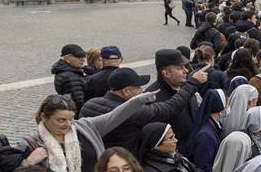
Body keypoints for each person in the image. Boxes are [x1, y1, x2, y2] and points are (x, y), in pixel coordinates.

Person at [79, 65, 209, 152]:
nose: (142, 90)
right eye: (138, 87)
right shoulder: (133, 112)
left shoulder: (88, 105)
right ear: (126, 91)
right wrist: (194, 82)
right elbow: (169, 108)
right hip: (127, 166)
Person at [51, 44, 89, 110]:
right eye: (79, 57)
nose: (83, 59)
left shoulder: (64, 71)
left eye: (83, 56)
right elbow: (79, 102)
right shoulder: (70, 77)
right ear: (68, 58)